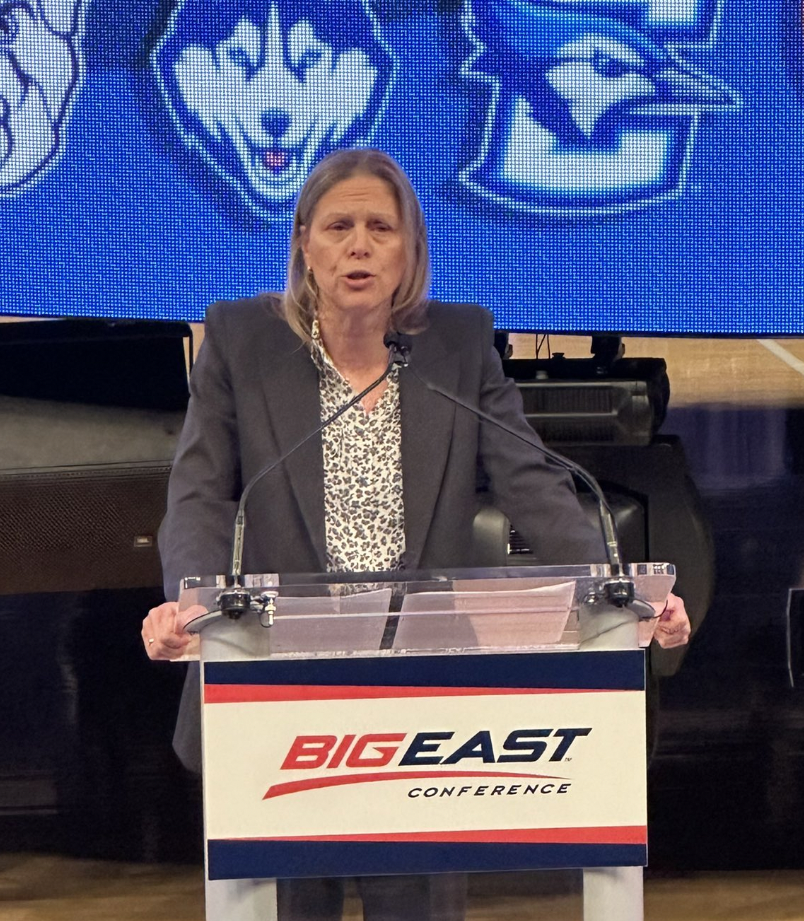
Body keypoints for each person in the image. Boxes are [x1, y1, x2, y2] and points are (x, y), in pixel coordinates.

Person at [141, 147, 691, 921]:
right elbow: (197, 495)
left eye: (379, 228)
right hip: (274, 698)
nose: (358, 245)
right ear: (304, 242)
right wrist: (187, 603)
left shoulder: (457, 346)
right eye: (338, 226)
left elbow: (531, 483)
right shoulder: (243, 342)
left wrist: (618, 588)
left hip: (422, 700)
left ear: (409, 250)